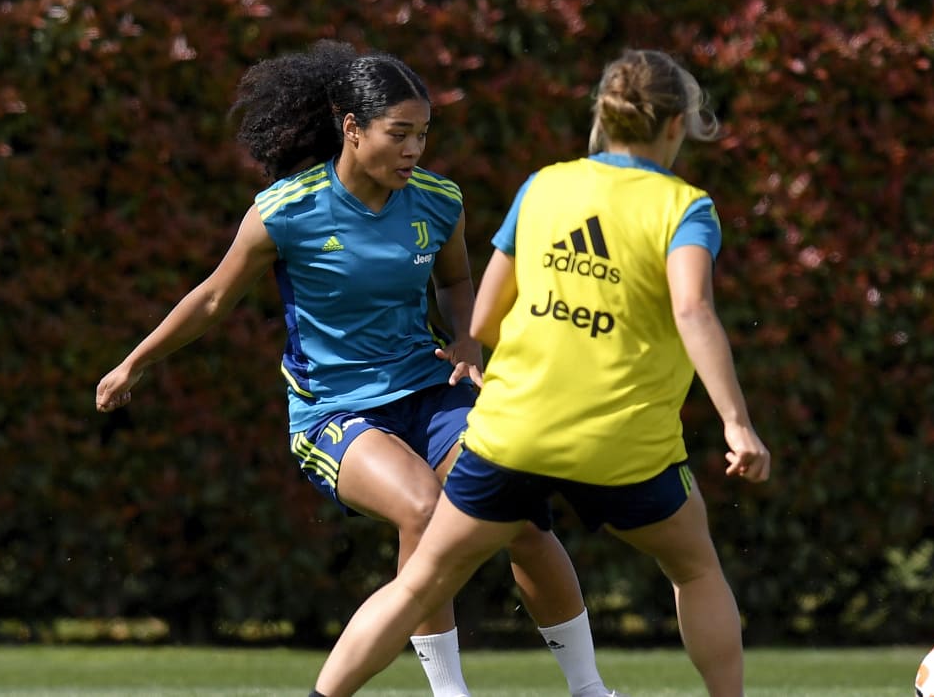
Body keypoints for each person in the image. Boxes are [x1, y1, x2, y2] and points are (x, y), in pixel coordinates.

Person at [95, 40, 618, 697]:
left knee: (516, 507)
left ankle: (589, 689)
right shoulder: (286, 211)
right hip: (336, 411)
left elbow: (457, 282)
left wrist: (467, 341)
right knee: (424, 513)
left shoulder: (437, 200)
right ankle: (450, 694)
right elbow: (211, 298)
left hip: (431, 391)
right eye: (399, 134)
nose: (414, 150)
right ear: (351, 128)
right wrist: (133, 363)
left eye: (422, 135)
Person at [308, 48, 773, 697]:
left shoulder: (546, 185)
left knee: (420, 582)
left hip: (513, 433)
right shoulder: (684, 208)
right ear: (675, 127)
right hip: (624, 447)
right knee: (694, 569)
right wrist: (737, 424)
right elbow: (692, 309)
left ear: (604, 119)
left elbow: (486, 319)